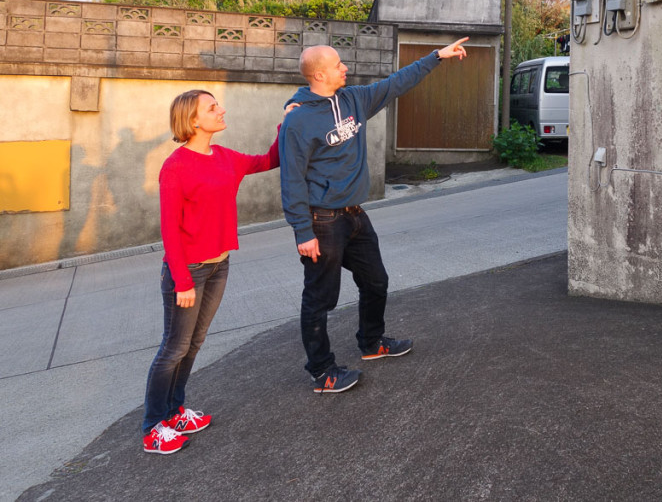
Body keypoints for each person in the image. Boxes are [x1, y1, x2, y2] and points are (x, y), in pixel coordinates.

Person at [279, 38, 469, 393]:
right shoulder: (298, 120)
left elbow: (396, 82)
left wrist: (436, 57)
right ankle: (321, 371)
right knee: (320, 297)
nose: (345, 68)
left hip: (354, 215)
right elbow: (291, 179)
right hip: (322, 220)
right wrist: (302, 231)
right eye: (338, 65)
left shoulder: (354, 100)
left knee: (376, 280)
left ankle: (371, 342)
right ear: (320, 74)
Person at [142, 90, 292, 454]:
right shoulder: (175, 167)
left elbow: (270, 160)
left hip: (218, 264)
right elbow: (169, 229)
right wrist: (181, 280)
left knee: (194, 343)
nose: (221, 110)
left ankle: (176, 411)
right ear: (193, 121)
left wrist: (286, 126)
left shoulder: (225, 157)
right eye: (212, 108)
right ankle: (152, 426)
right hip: (188, 270)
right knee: (173, 347)